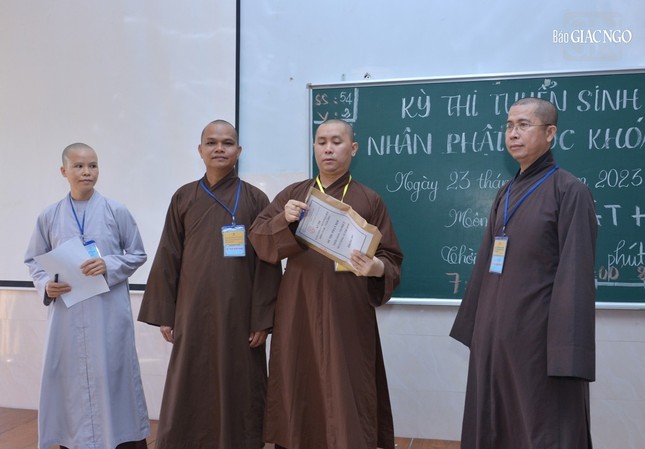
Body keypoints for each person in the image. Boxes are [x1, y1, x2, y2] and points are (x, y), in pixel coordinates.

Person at [450, 97, 597, 449]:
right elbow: (486, 265)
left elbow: (575, 277)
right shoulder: (505, 193)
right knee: (495, 426)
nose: (513, 133)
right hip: (496, 339)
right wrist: (479, 330)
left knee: (541, 428)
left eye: (524, 125)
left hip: (538, 343)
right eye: (509, 126)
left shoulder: (569, 191)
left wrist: (565, 352)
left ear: (550, 133)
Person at [248, 118, 404, 449]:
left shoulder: (369, 199)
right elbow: (259, 239)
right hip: (298, 306)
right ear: (314, 147)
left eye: (336, 141)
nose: (328, 149)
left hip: (347, 309)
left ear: (353, 148)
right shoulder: (294, 195)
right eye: (321, 142)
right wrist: (284, 218)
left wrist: (377, 267)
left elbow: (391, 258)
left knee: (347, 382)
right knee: (297, 377)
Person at [137, 119, 282, 449]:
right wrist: (166, 313)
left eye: (227, 143)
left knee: (241, 381)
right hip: (192, 311)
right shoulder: (184, 197)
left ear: (239, 151)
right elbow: (169, 254)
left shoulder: (256, 198)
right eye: (212, 143)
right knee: (191, 377)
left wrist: (262, 319)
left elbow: (268, 262)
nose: (219, 148)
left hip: (240, 314)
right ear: (200, 150)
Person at [24, 143, 150, 449]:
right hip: (66, 314)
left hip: (107, 311)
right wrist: (46, 285)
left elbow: (137, 253)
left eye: (92, 166)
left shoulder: (116, 210)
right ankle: (74, 441)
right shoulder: (49, 215)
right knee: (70, 382)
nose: (86, 172)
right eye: (79, 166)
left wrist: (109, 264)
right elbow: (33, 261)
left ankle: (119, 439)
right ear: (63, 171)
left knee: (113, 376)